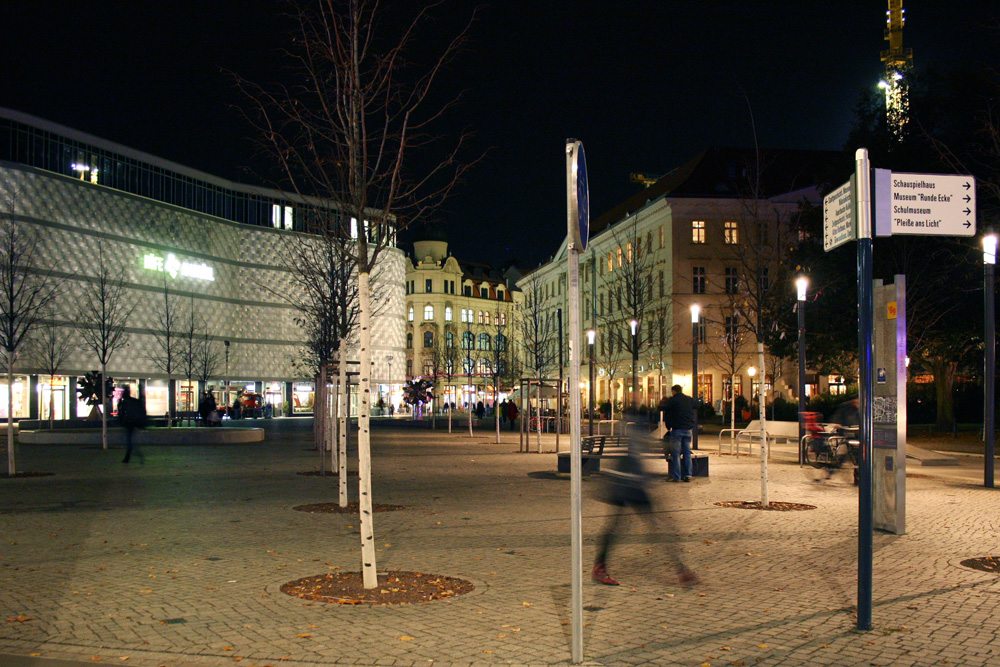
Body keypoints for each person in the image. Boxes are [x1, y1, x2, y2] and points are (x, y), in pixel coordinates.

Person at [593, 422, 698, 587]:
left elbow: (637, 458)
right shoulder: (635, 427)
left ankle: (681, 569)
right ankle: (681, 569)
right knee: (651, 526)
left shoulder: (634, 428)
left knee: (621, 527)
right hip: (628, 486)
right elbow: (635, 457)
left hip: (629, 484)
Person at [663, 384, 696, 482]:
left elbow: (667, 414)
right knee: (687, 453)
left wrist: (669, 426)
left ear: (674, 391)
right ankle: (688, 475)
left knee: (676, 454)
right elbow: (697, 405)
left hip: (677, 429)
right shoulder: (688, 399)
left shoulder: (672, 401)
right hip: (688, 430)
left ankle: (676, 477)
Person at [119, 386, 146, 464]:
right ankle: (129, 456)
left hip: (129, 423)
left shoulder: (126, 402)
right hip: (131, 423)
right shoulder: (131, 401)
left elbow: (122, 413)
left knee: (129, 441)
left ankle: (130, 456)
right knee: (129, 440)